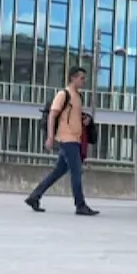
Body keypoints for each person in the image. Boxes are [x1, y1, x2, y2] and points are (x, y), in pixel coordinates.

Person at [25, 67, 99, 216]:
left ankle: (34, 196)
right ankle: (80, 205)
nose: (84, 81)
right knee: (76, 172)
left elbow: (73, 117)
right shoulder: (63, 94)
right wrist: (50, 137)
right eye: (82, 78)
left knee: (57, 172)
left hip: (75, 139)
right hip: (67, 139)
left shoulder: (78, 96)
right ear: (73, 78)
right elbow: (52, 115)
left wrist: (86, 120)